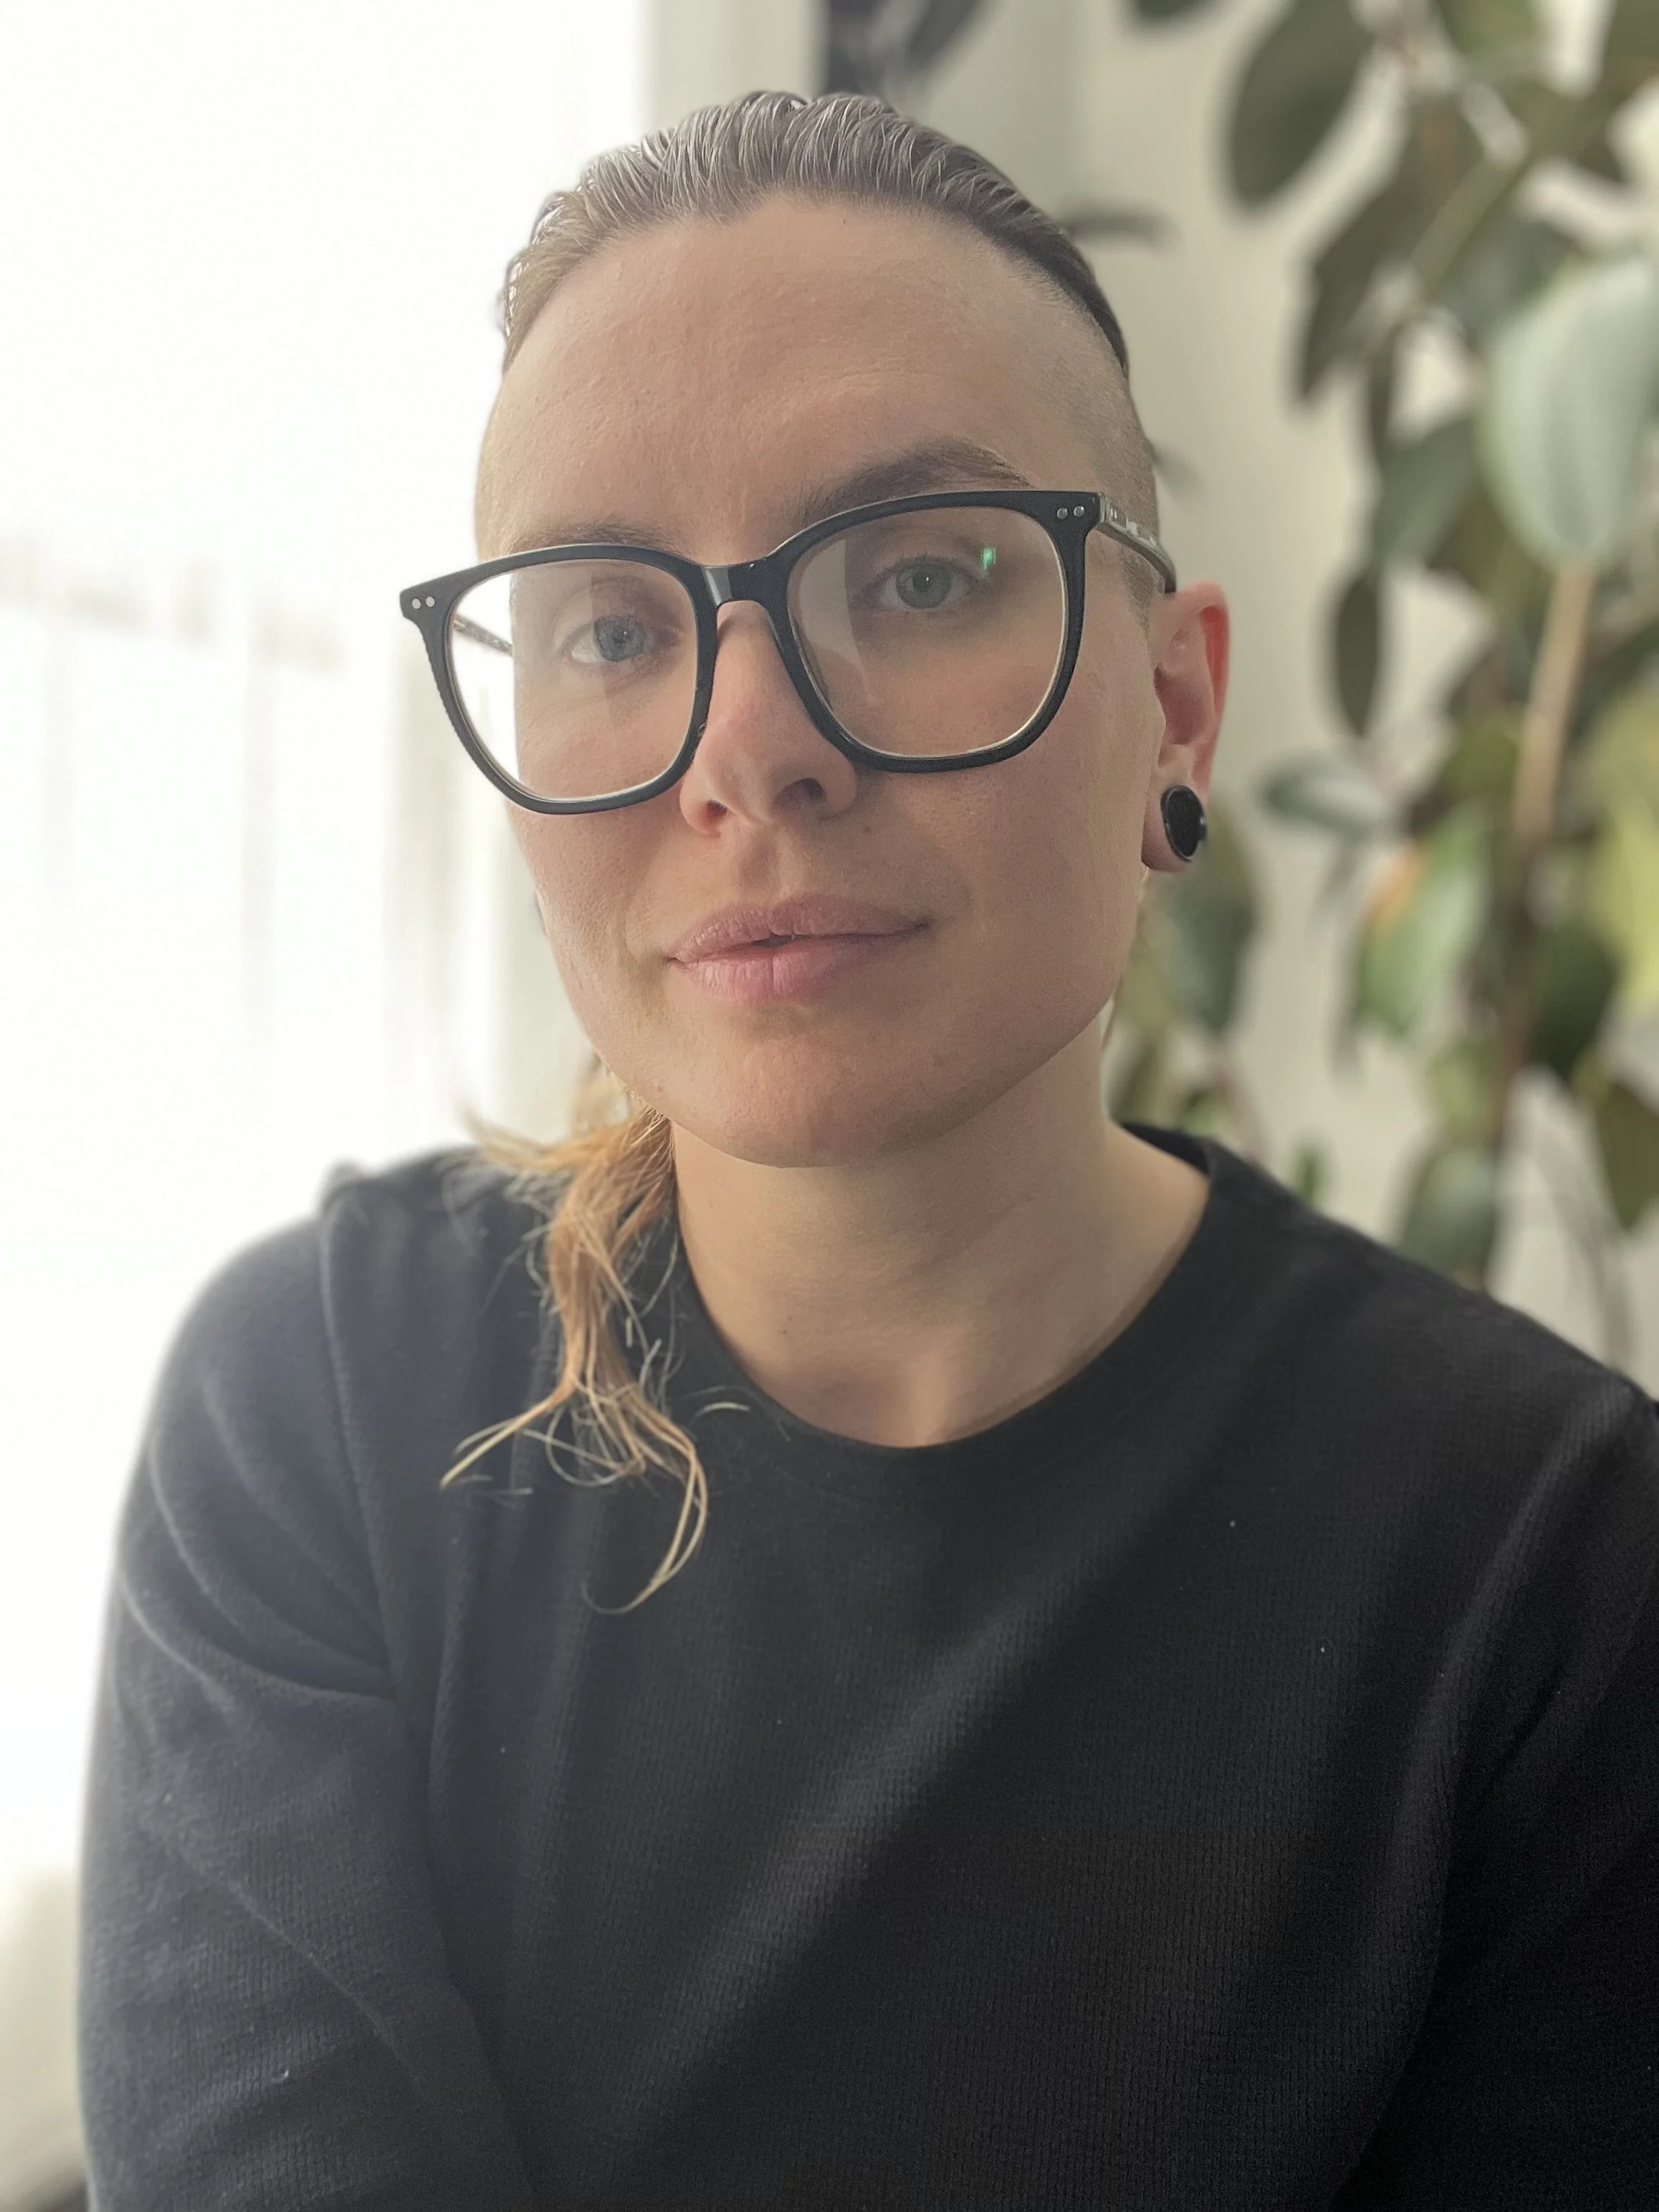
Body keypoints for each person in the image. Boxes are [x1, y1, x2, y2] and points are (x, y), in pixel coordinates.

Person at [77, 90, 1658, 2211]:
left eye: (920, 576)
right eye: (611, 627)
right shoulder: (322, 1407)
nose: (749, 752)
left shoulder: (1544, 1568)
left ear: (1175, 712)